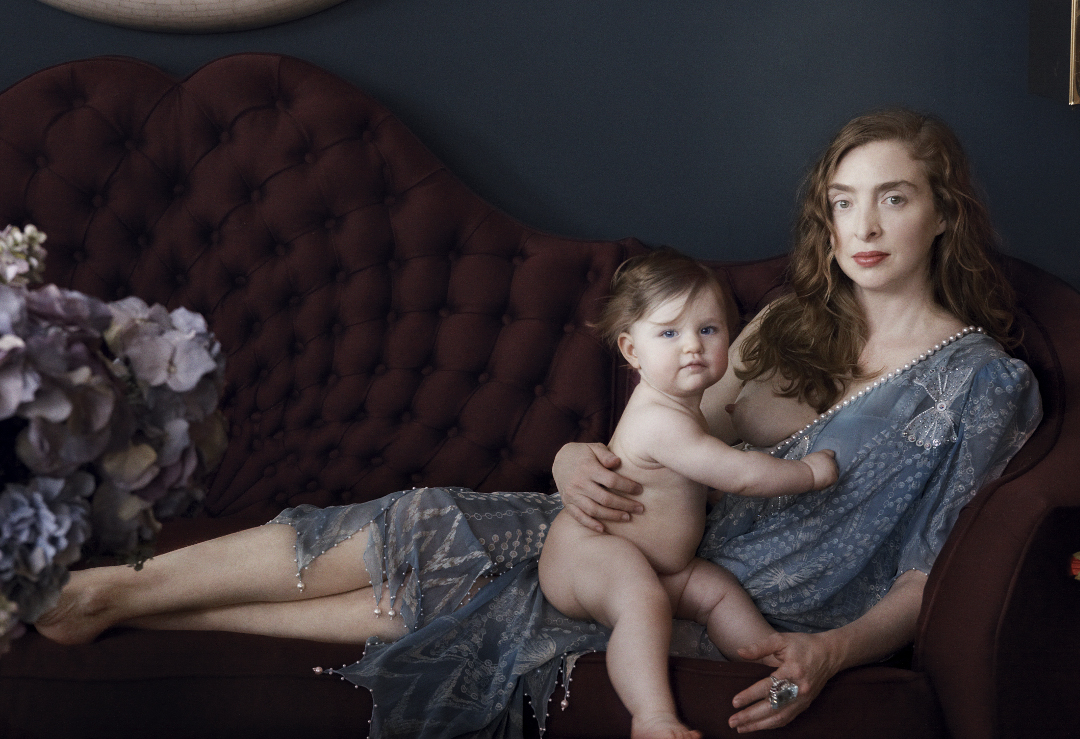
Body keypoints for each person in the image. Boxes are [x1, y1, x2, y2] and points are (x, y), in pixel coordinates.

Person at [33, 108, 1042, 738]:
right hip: (631, 536)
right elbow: (662, 425)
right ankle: (111, 597)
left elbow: (926, 571)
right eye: (843, 203)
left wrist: (830, 651)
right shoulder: (787, 321)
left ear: (942, 212)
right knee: (443, 524)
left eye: (893, 200)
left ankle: (117, 604)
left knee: (466, 596)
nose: (862, 230)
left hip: (736, 597)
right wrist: (570, 457)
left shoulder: (984, 386)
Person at [537, 249, 837, 739]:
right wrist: (808, 473)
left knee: (718, 592)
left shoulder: (683, 409)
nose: (692, 346)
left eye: (708, 330)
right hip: (589, 552)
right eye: (669, 333)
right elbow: (737, 475)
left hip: (658, 559)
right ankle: (651, 716)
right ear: (633, 351)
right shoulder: (659, 419)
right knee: (641, 598)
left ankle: (767, 653)